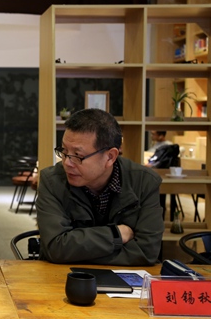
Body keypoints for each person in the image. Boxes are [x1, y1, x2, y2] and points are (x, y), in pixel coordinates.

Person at [36, 108, 164, 266]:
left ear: (110, 157)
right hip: (64, 277)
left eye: (78, 156)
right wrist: (117, 234)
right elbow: (55, 248)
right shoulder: (52, 181)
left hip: (126, 278)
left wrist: (76, 253)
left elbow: (146, 252)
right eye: (64, 151)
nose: (67, 163)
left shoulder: (144, 182)